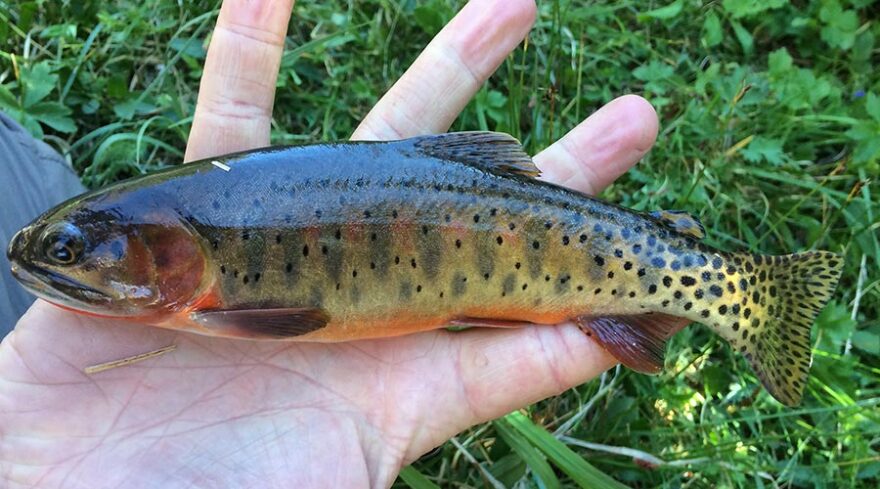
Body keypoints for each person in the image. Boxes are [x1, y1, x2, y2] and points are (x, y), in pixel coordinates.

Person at [0, 0, 666, 486]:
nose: (52, 262)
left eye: (68, 253)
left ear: (166, 245)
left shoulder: (203, 291)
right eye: (67, 252)